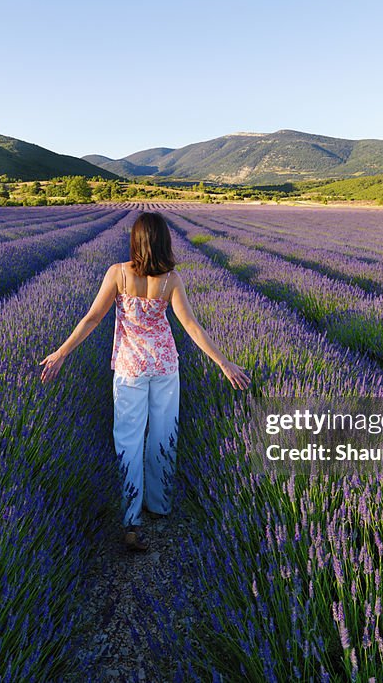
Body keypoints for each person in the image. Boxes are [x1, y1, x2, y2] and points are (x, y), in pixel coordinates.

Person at [40, 212, 250, 551]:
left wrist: (62, 353)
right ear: (164, 241)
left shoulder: (118, 274)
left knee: (128, 441)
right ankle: (160, 505)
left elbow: (92, 318)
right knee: (164, 434)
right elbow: (192, 327)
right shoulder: (171, 280)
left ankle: (131, 519)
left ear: (135, 240)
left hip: (129, 369)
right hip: (165, 366)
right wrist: (223, 363)